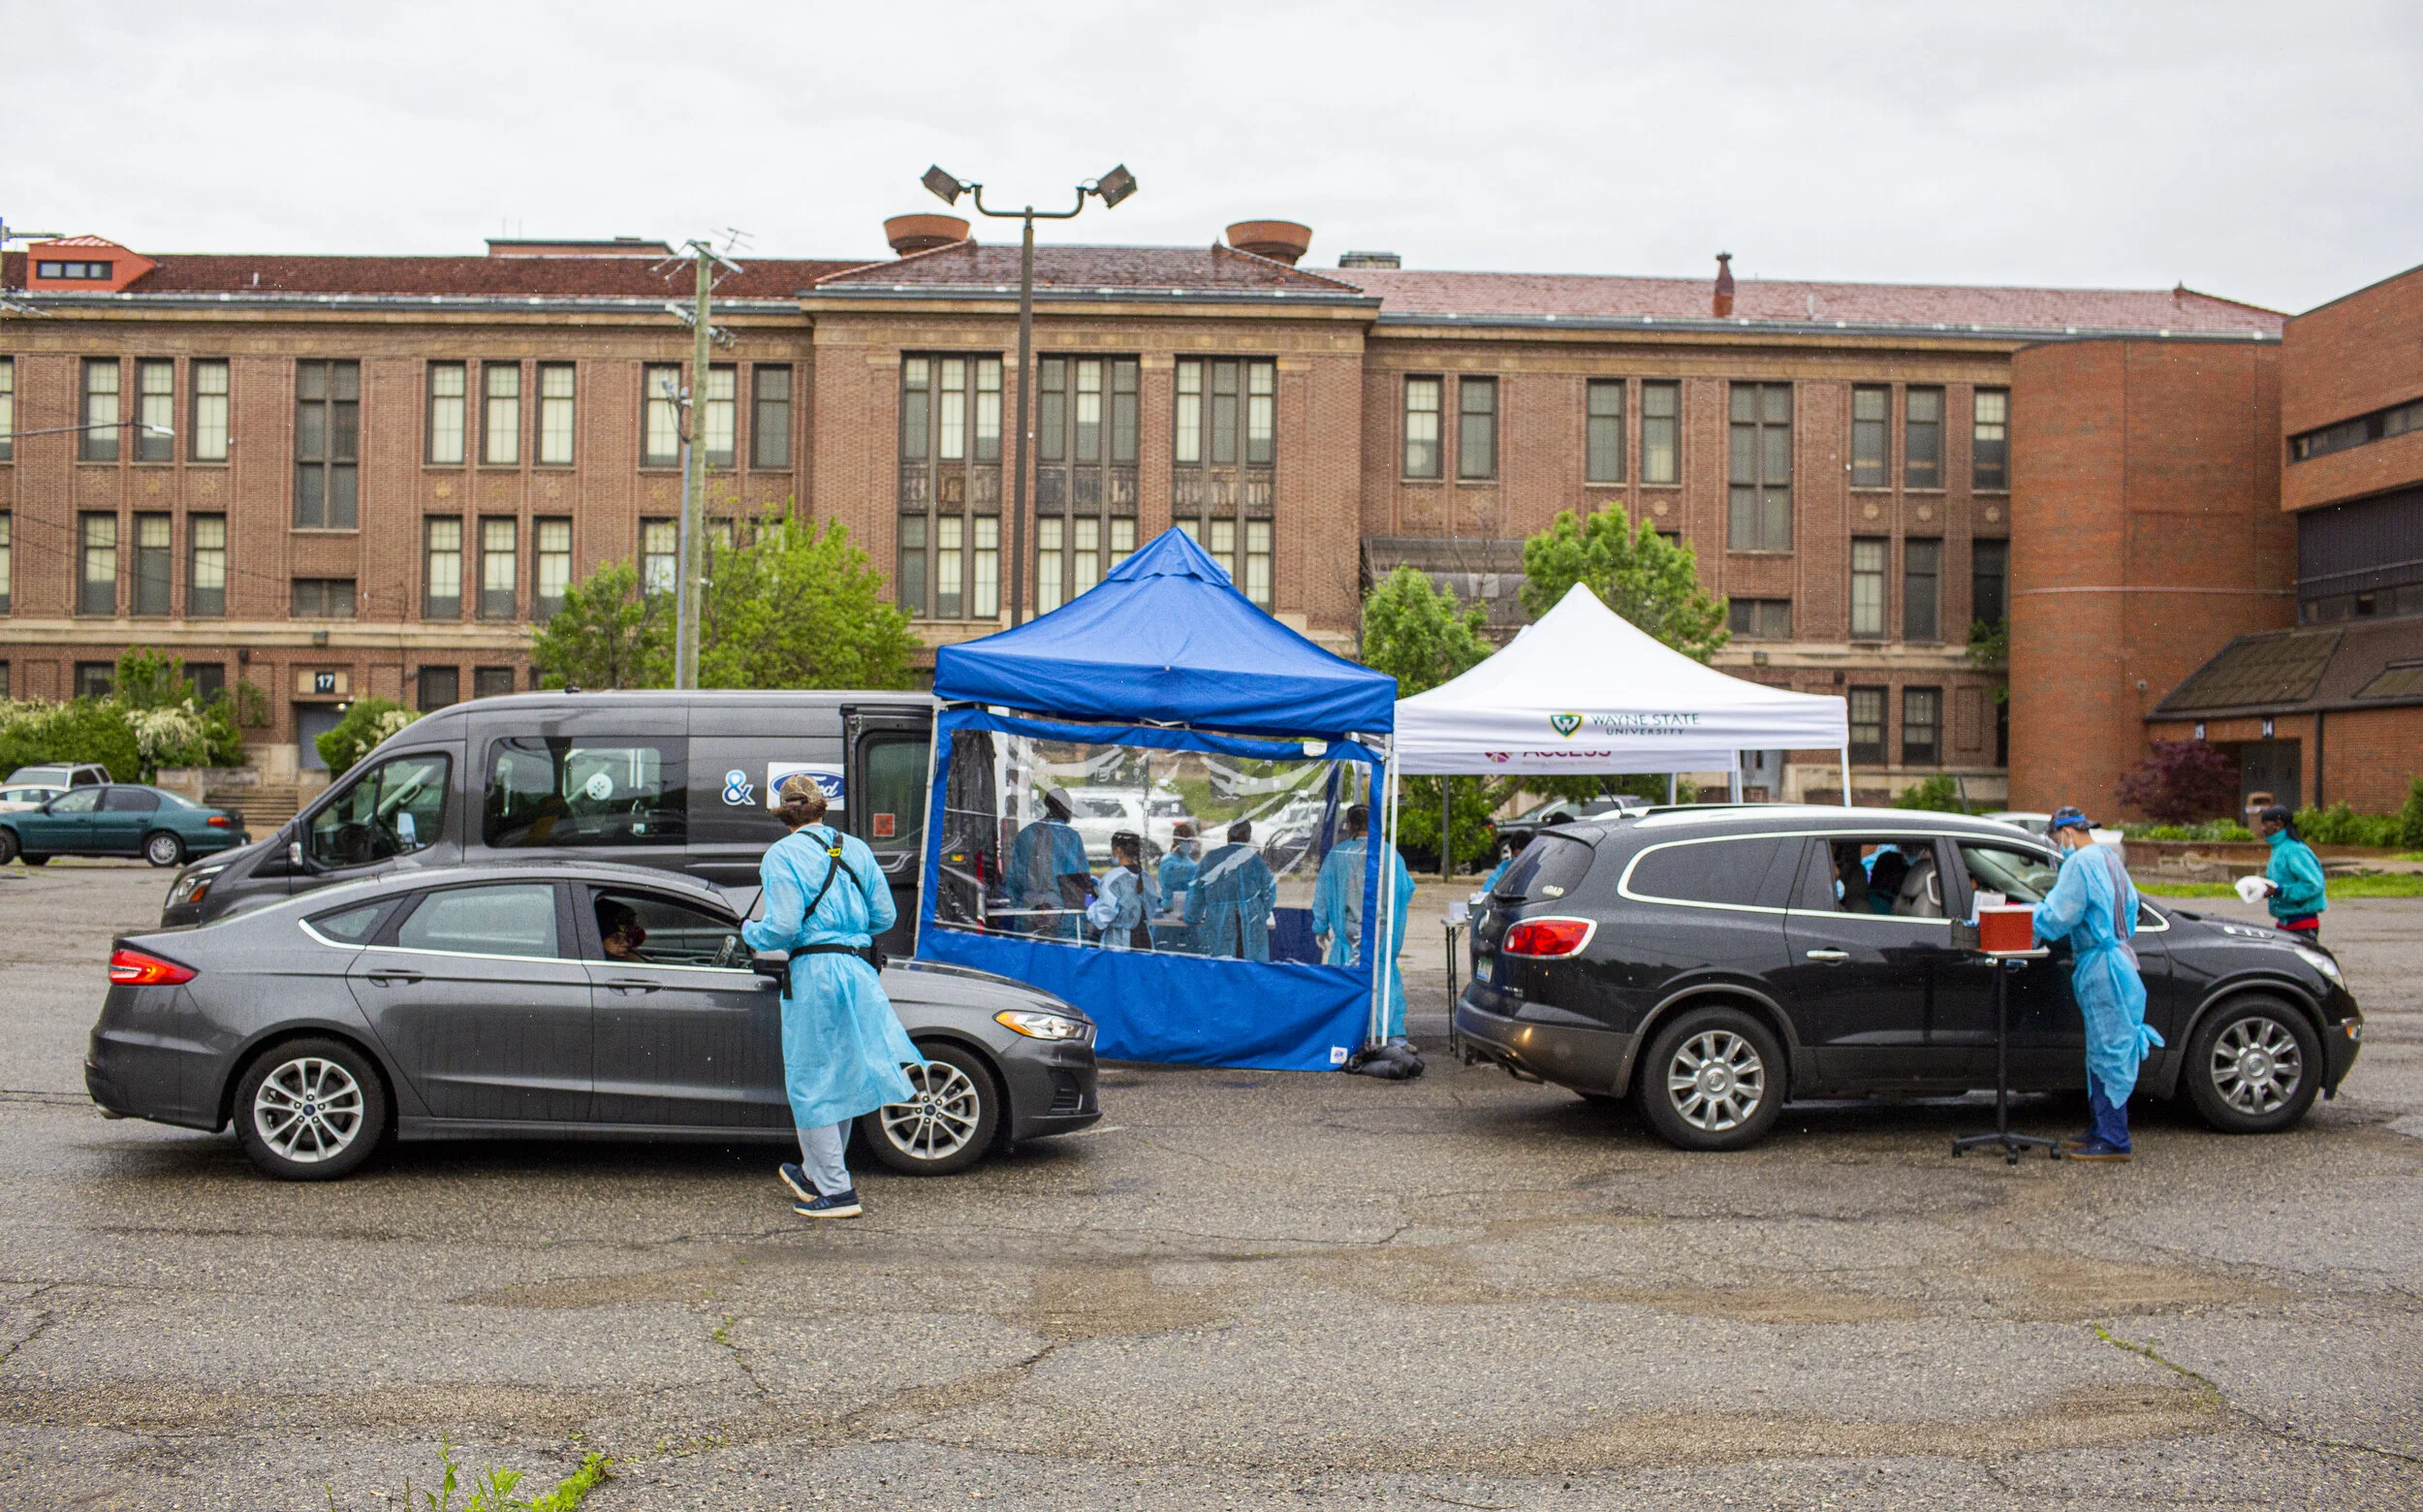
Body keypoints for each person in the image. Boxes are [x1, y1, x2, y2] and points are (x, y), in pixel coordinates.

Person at [742, 773, 922, 1219]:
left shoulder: (782, 854)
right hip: (859, 971)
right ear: (822, 809)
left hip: (816, 973)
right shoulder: (855, 849)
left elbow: (783, 927)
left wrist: (750, 932)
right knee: (842, 1076)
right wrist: (846, 929)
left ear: (784, 816)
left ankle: (837, 1191)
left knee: (811, 1081)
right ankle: (814, 1173)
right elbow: (884, 915)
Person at [2032, 805, 2163, 1162]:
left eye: (2056, 840)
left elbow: (2060, 915)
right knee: (2107, 1048)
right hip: (2118, 960)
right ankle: (2101, 1129)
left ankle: (2113, 1139)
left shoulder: (2078, 863)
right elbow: (2131, 908)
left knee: (2108, 1052)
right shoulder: (2109, 858)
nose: (2059, 848)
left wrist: (2029, 918)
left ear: (2066, 833)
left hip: (2101, 967)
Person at [1313, 803, 1420, 1041]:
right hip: (1382, 931)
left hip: (1348, 930)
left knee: (1347, 978)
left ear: (1349, 825)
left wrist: (1320, 926)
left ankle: (1347, 1029)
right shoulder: (1390, 855)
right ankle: (1385, 1031)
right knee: (1380, 978)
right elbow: (1406, 889)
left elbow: (1323, 894)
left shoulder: (1338, 855)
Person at [1005, 789, 1090, 940]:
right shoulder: (1071, 837)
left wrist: (1019, 904)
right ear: (1065, 808)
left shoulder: (1025, 834)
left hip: (1028, 907)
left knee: (1029, 951)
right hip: (1061, 910)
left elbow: (1014, 878)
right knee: (1059, 952)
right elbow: (1079, 879)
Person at [1188, 819, 1277, 961]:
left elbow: (1196, 892)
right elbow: (1269, 892)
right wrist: (1261, 913)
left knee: (1221, 965)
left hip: (1219, 921)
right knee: (1248, 965)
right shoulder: (1254, 860)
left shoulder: (1210, 858)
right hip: (1250, 921)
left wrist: (1191, 916)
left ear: (1228, 835)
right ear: (1248, 837)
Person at [2252, 803, 2328, 941]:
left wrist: (2280, 891)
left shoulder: (2294, 850)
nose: (2262, 828)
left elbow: (2314, 885)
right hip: (2284, 922)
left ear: (2278, 824)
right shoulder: (2279, 849)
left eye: (2265, 824)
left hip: (2302, 924)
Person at [1086, 831, 1158, 950]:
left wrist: (1091, 907)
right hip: (1145, 939)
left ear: (1118, 850)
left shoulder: (1113, 877)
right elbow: (1151, 909)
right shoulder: (1147, 877)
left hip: (1120, 942)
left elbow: (1104, 915)